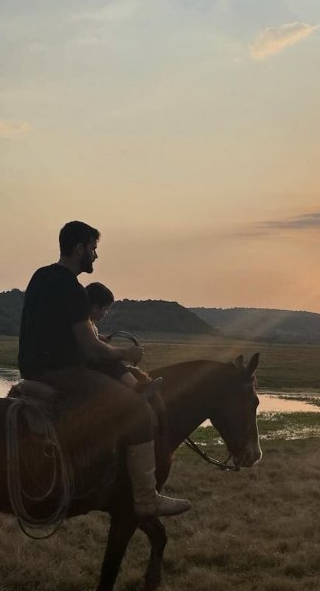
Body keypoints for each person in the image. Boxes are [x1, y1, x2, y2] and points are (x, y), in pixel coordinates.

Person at [17, 220, 190, 518]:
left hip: (34, 368)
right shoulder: (71, 287)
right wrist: (127, 353)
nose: (95, 256)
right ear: (78, 248)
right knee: (139, 411)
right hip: (60, 372)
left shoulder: (41, 276)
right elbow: (89, 346)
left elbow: (64, 334)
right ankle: (147, 498)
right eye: (93, 248)